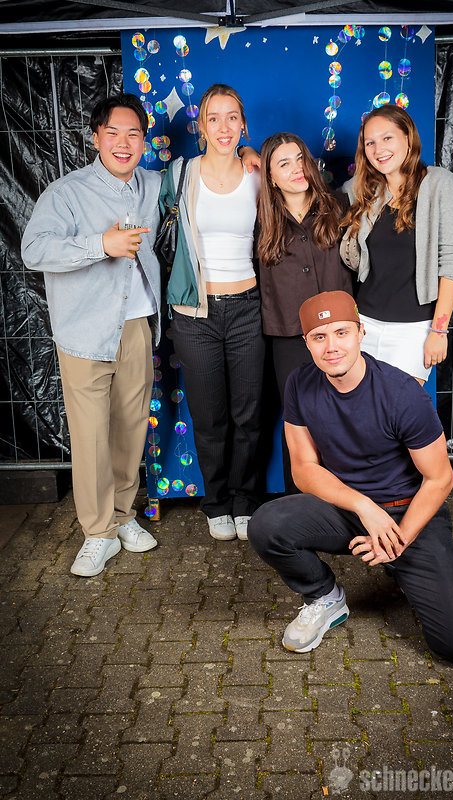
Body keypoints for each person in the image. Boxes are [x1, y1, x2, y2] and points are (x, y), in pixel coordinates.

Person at [248, 291, 453, 664]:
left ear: (361, 332)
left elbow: (440, 479)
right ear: (306, 342)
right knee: (266, 525)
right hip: (347, 508)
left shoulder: (402, 393)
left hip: (408, 513)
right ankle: (325, 597)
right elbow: (304, 468)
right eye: (319, 337)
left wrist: (399, 539)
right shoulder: (299, 383)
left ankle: (399, 563)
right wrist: (363, 506)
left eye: (341, 332)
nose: (331, 347)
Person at [21, 93, 161, 576]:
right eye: (113, 133)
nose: (124, 143)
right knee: (90, 437)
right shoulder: (66, 193)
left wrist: (245, 154)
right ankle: (98, 532)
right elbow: (34, 250)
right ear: (96, 137)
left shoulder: (152, 185)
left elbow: (199, 175)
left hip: (136, 326)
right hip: (85, 332)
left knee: (130, 429)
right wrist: (101, 243)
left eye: (133, 133)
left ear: (144, 141)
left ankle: (122, 516)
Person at [163, 84, 264, 542]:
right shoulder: (181, 173)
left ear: (243, 124)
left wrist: (250, 153)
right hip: (193, 312)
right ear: (201, 126)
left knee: (249, 415)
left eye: (232, 117)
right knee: (209, 418)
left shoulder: (258, 174)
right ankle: (217, 503)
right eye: (213, 118)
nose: (224, 127)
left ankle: (245, 501)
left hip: (248, 310)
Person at [340, 105, 453, 384]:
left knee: (399, 408)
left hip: (415, 328)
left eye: (387, 138)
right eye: (370, 143)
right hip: (364, 323)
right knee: (358, 407)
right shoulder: (361, 190)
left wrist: (439, 331)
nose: (378, 149)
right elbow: (312, 198)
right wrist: (246, 153)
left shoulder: (440, 185)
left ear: (408, 139)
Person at [256, 132, 353, 492]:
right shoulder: (260, 218)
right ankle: (299, 502)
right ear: (269, 176)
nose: (296, 169)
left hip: (340, 331)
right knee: (298, 422)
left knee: (343, 414)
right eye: (284, 163)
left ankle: (347, 499)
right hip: (288, 335)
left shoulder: (340, 205)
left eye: (300, 159)